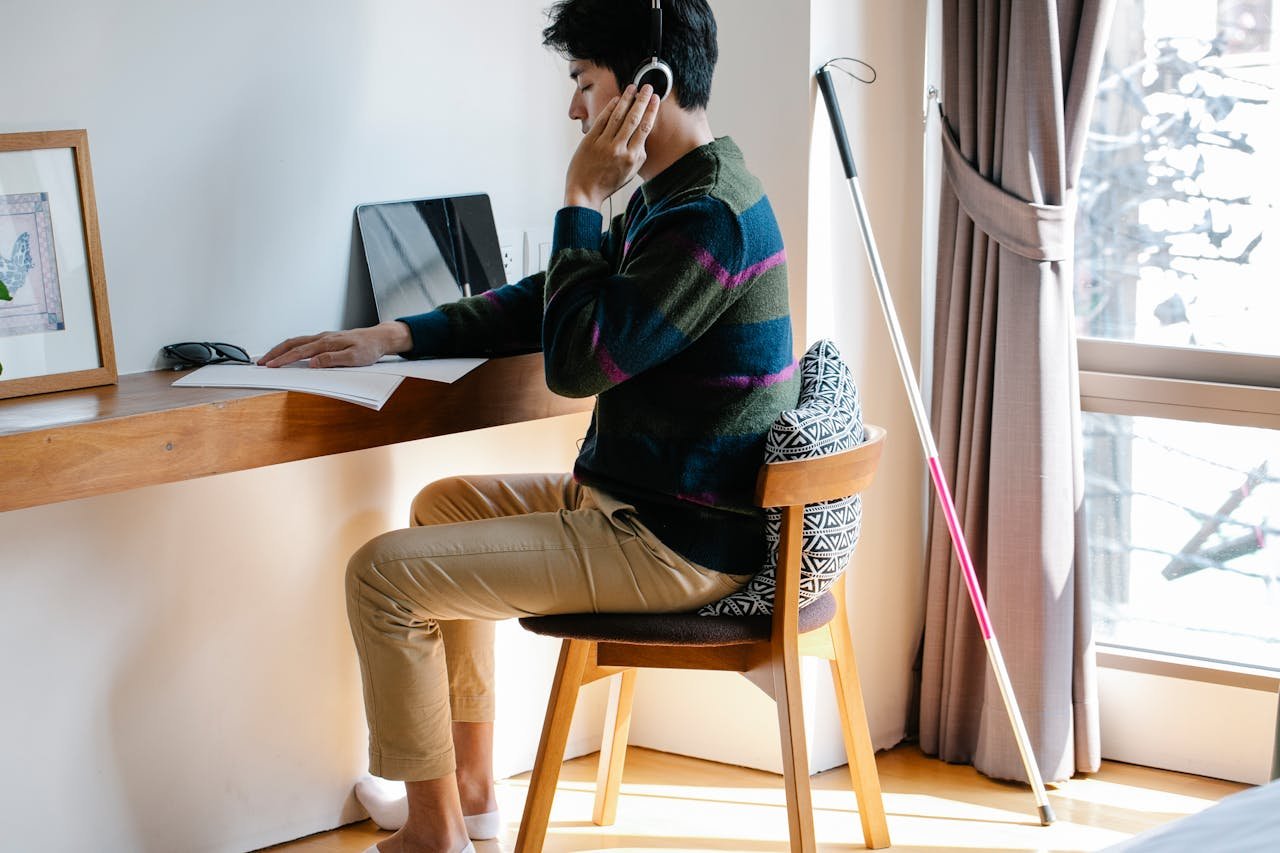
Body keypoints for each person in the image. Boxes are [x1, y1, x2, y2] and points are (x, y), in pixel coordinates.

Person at [259, 2, 798, 851]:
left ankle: (433, 834)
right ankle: (470, 796)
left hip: (674, 544)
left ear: (645, 86)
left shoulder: (708, 218)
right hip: (642, 507)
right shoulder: (681, 194)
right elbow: (555, 296)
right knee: (440, 503)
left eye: (583, 83)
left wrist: (581, 193)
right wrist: (394, 335)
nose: (575, 110)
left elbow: (577, 363)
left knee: (380, 577)